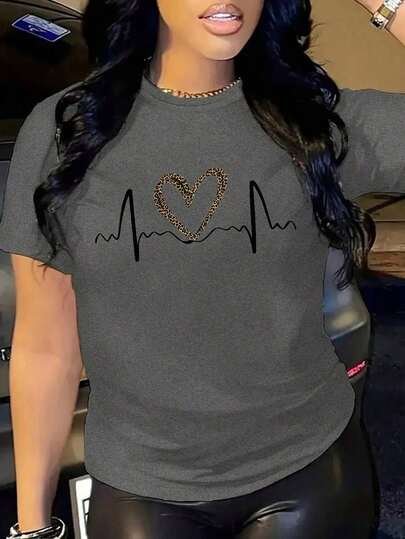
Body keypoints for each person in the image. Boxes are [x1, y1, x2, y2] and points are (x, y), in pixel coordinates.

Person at [1, 0, 405, 537]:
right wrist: (32, 527)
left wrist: (383, 2)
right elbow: (46, 347)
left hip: (308, 472)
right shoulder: (67, 133)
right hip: (141, 485)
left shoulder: (312, 125)